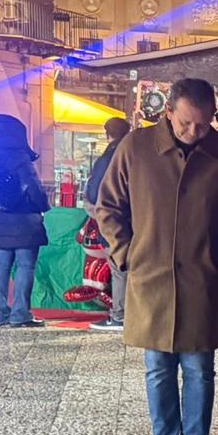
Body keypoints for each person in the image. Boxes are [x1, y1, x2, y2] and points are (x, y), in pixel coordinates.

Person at [94, 78, 218, 435]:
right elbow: (108, 207)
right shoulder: (136, 148)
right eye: (186, 123)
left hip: (201, 280)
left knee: (200, 369)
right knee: (158, 369)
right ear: (168, 112)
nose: (193, 132)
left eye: (203, 125)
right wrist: (127, 254)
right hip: (150, 278)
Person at [0, 114, 50, 329]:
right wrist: (43, 206)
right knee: (25, 265)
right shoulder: (19, 159)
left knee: (1, 265)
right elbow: (33, 188)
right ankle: (20, 313)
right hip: (23, 220)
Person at [83, 116, 131, 331]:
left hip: (114, 221)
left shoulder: (107, 158)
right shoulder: (135, 154)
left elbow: (94, 193)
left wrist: (93, 207)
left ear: (107, 133)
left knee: (120, 269)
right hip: (136, 220)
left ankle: (120, 315)